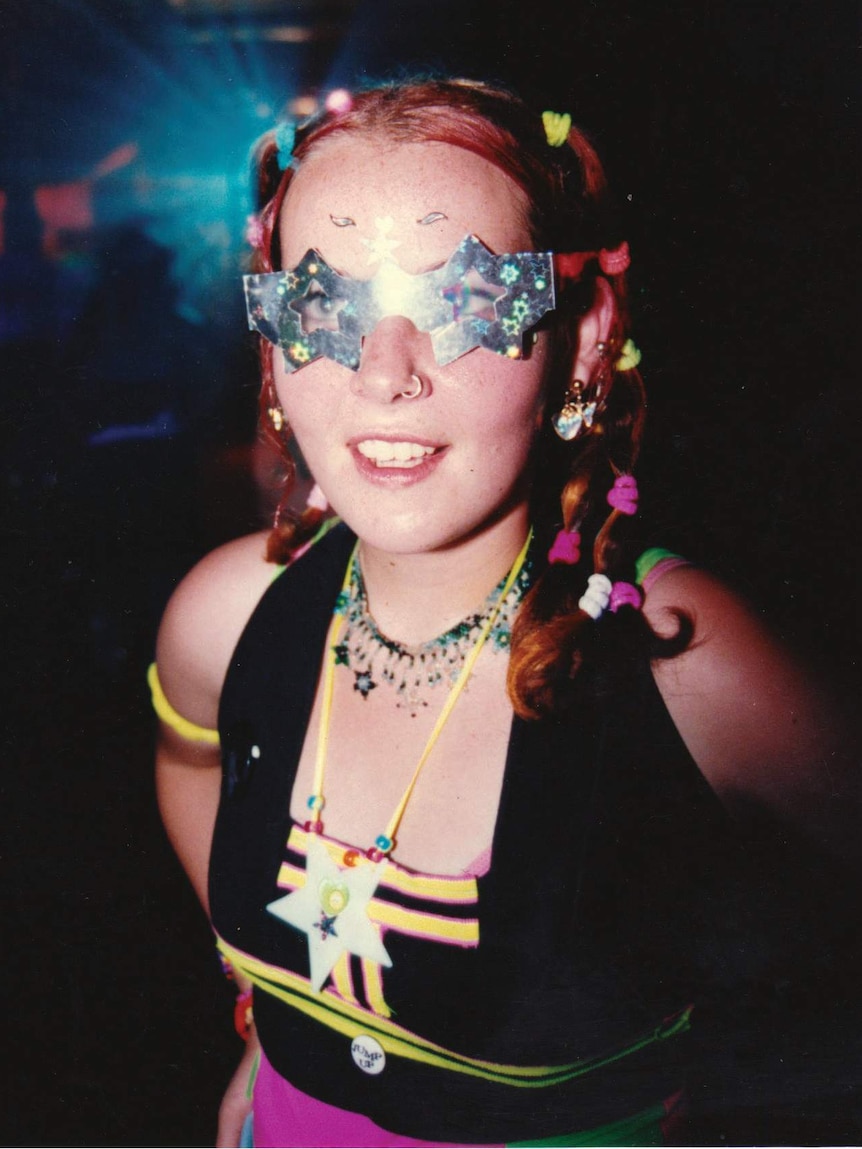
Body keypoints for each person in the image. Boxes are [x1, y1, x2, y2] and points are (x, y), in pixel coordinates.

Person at [151, 78, 856, 1147]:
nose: (385, 374)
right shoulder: (225, 610)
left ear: (581, 336)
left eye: (460, 299)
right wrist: (271, 1014)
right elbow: (189, 761)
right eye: (323, 304)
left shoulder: (689, 662)